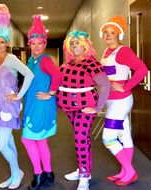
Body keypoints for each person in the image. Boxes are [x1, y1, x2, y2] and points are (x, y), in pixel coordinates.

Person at [0, 4, 34, 189]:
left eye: (2, 42)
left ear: (6, 42)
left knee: (0, 145)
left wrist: (19, 96)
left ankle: (18, 172)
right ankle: (15, 174)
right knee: (9, 142)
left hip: (8, 106)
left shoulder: (12, 59)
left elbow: (29, 75)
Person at [56, 31, 110, 190]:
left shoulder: (91, 63)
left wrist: (97, 108)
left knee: (80, 138)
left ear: (85, 45)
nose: (74, 46)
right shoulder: (67, 64)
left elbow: (105, 85)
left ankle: (84, 176)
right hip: (69, 107)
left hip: (85, 108)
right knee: (81, 138)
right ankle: (83, 169)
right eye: (71, 43)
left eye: (77, 43)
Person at [99, 15, 148, 186]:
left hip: (121, 101)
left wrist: (126, 86)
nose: (108, 35)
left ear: (119, 34)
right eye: (106, 32)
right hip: (111, 100)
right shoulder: (106, 52)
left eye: (112, 32)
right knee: (124, 135)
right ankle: (124, 170)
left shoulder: (124, 51)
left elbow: (142, 69)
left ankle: (130, 171)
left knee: (109, 138)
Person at [21, 15, 62, 190]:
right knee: (40, 141)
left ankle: (38, 174)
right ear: (29, 45)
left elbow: (58, 75)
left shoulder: (45, 59)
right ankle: (49, 173)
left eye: (40, 43)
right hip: (32, 103)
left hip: (41, 104)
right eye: (33, 43)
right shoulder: (31, 60)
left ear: (44, 45)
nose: (36, 46)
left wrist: (51, 93)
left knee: (27, 139)